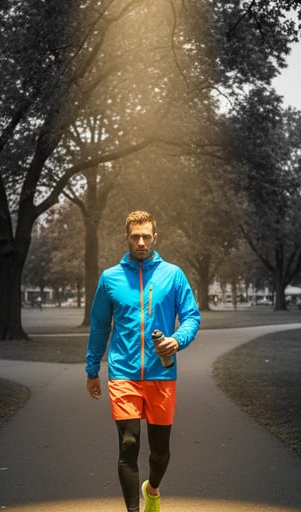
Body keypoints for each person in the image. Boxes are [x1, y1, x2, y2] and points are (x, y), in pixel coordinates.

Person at [85, 210, 200, 512]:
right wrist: (92, 368)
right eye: (135, 236)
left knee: (160, 453)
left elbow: (191, 317)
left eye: (146, 236)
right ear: (126, 238)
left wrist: (176, 340)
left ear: (155, 238)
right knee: (129, 444)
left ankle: (153, 489)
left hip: (162, 374)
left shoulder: (173, 275)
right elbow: (99, 326)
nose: (140, 242)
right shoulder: (110, 278)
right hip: (122, 374)